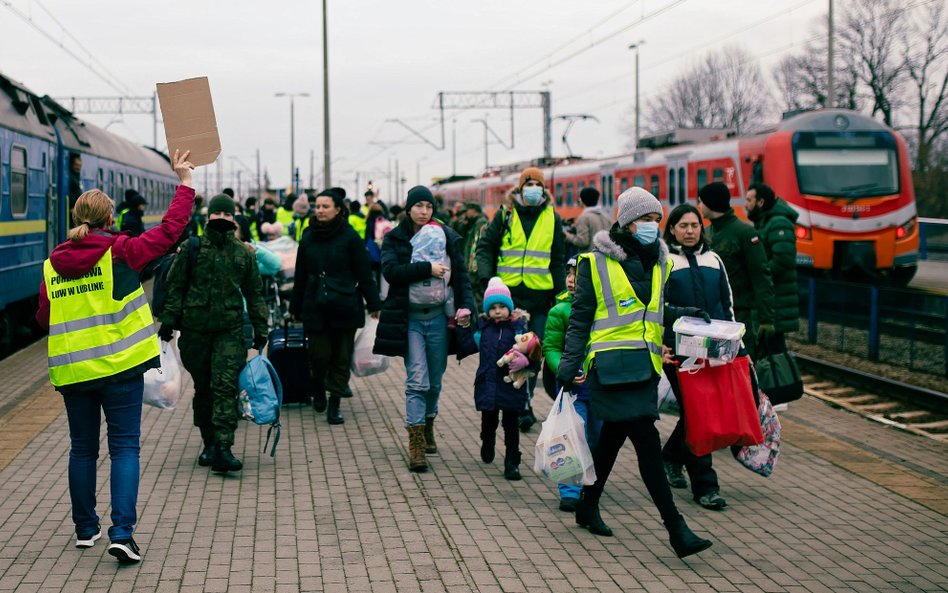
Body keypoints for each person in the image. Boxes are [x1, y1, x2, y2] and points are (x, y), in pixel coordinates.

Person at [35, 149, 196, 564]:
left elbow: (43, 317)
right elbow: (170, 231)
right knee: (124, 447)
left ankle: (85, 529)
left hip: (74, 372)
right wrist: (186, 184)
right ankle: (121, 533)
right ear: (110, 220)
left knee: (82, 448)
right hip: (121, 368)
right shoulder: (121, 251)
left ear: (76, 218)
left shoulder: (53, 264)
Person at [555, 187, 713, 558]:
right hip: (608, 369)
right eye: (644, 220)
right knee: (647, 445)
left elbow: (654, 309)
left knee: (611, 439)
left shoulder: (661, 262)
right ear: (626, 223)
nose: (652, 226)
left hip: (643, 368)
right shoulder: (594, 264)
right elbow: (579, 321)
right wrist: (567, 366)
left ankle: (587, 505)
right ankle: (676, 529)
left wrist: (687, 314)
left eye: (656, 220)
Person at [157, 193, 268, 475]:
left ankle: (223, 446)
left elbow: (255, 294)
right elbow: (176, 288)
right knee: (204, 388)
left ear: (233, 218)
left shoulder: (243, 253)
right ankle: (207, 441)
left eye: (227, 215)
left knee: (225, 386)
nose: (221, 219)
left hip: (229, 332)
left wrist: (261, 328)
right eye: (217, 215)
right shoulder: (192, 248)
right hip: (195, 332)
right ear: (208, 218)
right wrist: (168, 323)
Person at [374, 186, 474, 473]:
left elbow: (461, 278)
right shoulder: (396, 237)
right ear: (408, 208)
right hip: (411, 320)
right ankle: (416, 443)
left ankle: (428, 422)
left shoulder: (447, 235)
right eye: (417, 206)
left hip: (440, 320)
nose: (423, 211)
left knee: (436, 380)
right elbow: (391, 272)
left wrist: (467, 307)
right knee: (417, 380)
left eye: (428, 206)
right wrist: (426, 268)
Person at [476, 166, 566, 431]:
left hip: (540, 299)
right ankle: (520, 404)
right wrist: (487, 281)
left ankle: (525, 401)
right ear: (520, 188)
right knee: (511, 351)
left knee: (534, 353)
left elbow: (558, 259)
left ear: (543, 189)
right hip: (509, 300)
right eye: (528, 185)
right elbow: (485, 248)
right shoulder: (505, 215)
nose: (533, 189)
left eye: (537, 185)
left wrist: (561, 296)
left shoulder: (552, 218)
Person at [660, 204, 736, 511]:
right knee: (697, 414)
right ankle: (705, 486)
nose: (690, 231)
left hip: (714, 350)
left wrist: (737, 347)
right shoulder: (664, 261)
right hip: (678, 352)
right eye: (683, 225)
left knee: (698, 413)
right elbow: (657, 307)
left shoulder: (714, 260)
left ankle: (670, 456)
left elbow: (727, 304)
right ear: (673, 229)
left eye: (695, 225)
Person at [290, 189, 381, 424]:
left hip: (345, 305)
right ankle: (318, 386)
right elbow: (300, 273)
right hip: (315, 304)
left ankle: (335, 403)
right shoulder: (308, 236)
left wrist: (374, 303)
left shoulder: (350, 237)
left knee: (341, 357)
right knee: (319, 356)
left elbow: (364, 273)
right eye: (317, 206)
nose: (319, 210)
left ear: (338, 209)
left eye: (325, 206)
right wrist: (295, 305)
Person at [542, 256, 603, 511]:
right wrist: (563, 370)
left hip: (600, 387)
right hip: (571, 387)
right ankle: (569, 489)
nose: (571, 279)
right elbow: (552, 347)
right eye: (568, 274)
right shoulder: (559, 311)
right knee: (569, 436)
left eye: (577, 275)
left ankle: (591, 484)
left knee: (596, 438)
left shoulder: (603, 310)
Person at [698, 182, 775, 360]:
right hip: (712, 317)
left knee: (742, 366)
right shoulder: (707, 232)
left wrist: (766, 319)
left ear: (710, 203)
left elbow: (760, 276)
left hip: (741, 316)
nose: (699, 206)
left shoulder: (745, 233)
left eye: (701, 201)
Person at [472, 277, 534, 480]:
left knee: (511, 425)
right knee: (489, 420)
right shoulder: (483, 329)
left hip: (510, 385)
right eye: (493, 307)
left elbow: (534, 352)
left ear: (510, 308)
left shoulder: (519, 329)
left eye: (502, 306)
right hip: (488, 383)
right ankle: (487, 440)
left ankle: (512, 461)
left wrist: (526, 361)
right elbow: (467, 343)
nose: (498, 311)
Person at [745, 182, 799, 374]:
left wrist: (759, 275)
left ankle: (780, 389)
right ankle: (774, 389)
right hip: (772, 297)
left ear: (760, 202)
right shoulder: (766, 220)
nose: (746, 204)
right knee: (770, 347)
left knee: (774, 349)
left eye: (749, 200)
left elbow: (783, 260)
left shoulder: (778, 222)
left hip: (776, 298)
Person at [564, 187, 613, 254]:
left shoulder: (584, 218)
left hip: (590, 259)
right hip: (605, 258)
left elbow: (583, 242)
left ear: (582, 200)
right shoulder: (607, 217)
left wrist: (567, 236)